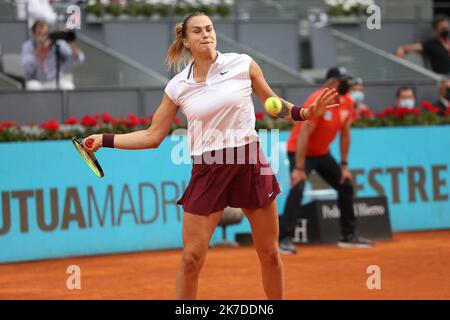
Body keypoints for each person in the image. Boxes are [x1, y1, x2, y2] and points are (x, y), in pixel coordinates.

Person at [82, 12, 339, 300]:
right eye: (197, 31)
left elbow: (272, 102)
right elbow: (152, 136)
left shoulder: (242, 64)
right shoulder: (178, 86)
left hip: (249, 163)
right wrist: (104, 140)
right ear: (186, 41)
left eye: (209, 29)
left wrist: (303, 112)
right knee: (191, 258)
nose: (206, 34)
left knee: (269, 253)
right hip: (208, 168)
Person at [279, 66, 374, 255]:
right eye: (342, 80)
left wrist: (344, 166)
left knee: (345, 184)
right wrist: (299, 168)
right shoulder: (318, 100)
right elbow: (304, 133)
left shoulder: (347, 101)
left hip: (322, 153)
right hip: (301, 152)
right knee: (298, 187)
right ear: (331, 83)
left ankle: (348, 236)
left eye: (347, 79)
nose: (347, 84)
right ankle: (285, 239)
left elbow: (345, 134)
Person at [21, 20, 85, 90]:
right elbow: (28, 70)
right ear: (34, 34)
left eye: (45, 34)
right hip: (37, 81)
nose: (43, 37)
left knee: (68, 86)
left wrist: (69, 41)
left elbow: (78, 59)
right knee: (33, 87)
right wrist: (38, 48)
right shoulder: (28, 46)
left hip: (55, 80)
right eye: (40, 33)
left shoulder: (57, 43)